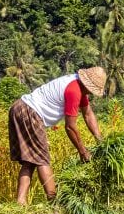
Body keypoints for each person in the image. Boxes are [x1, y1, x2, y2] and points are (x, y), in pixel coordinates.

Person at [7, 66, 106, 205]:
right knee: (42, 159)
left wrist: (100, 141)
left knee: (30, 161)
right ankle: (54, 204)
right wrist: (83, 152)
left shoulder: (78, 86)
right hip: (30, 113)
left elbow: (88, 114)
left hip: (20, 108)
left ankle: (20, 202)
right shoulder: (74, 90)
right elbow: (70, 126)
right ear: (87, 85)